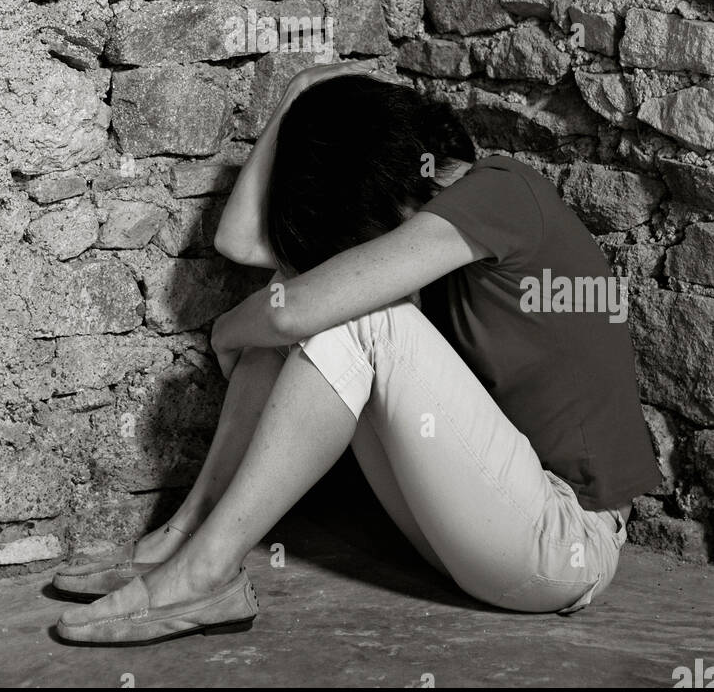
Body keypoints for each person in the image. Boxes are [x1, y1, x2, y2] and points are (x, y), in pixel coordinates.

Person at [54, 65, 658, 646]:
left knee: (355, 315)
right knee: (304, 304)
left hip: (566, 542)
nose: (366, 242)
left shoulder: (503, 190)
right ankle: (188, 537)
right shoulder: (431, 235)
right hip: (472, 533)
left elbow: (296, 310)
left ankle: (204, 575)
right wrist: (293, 96)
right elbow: (238, 244)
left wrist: (225, 333)